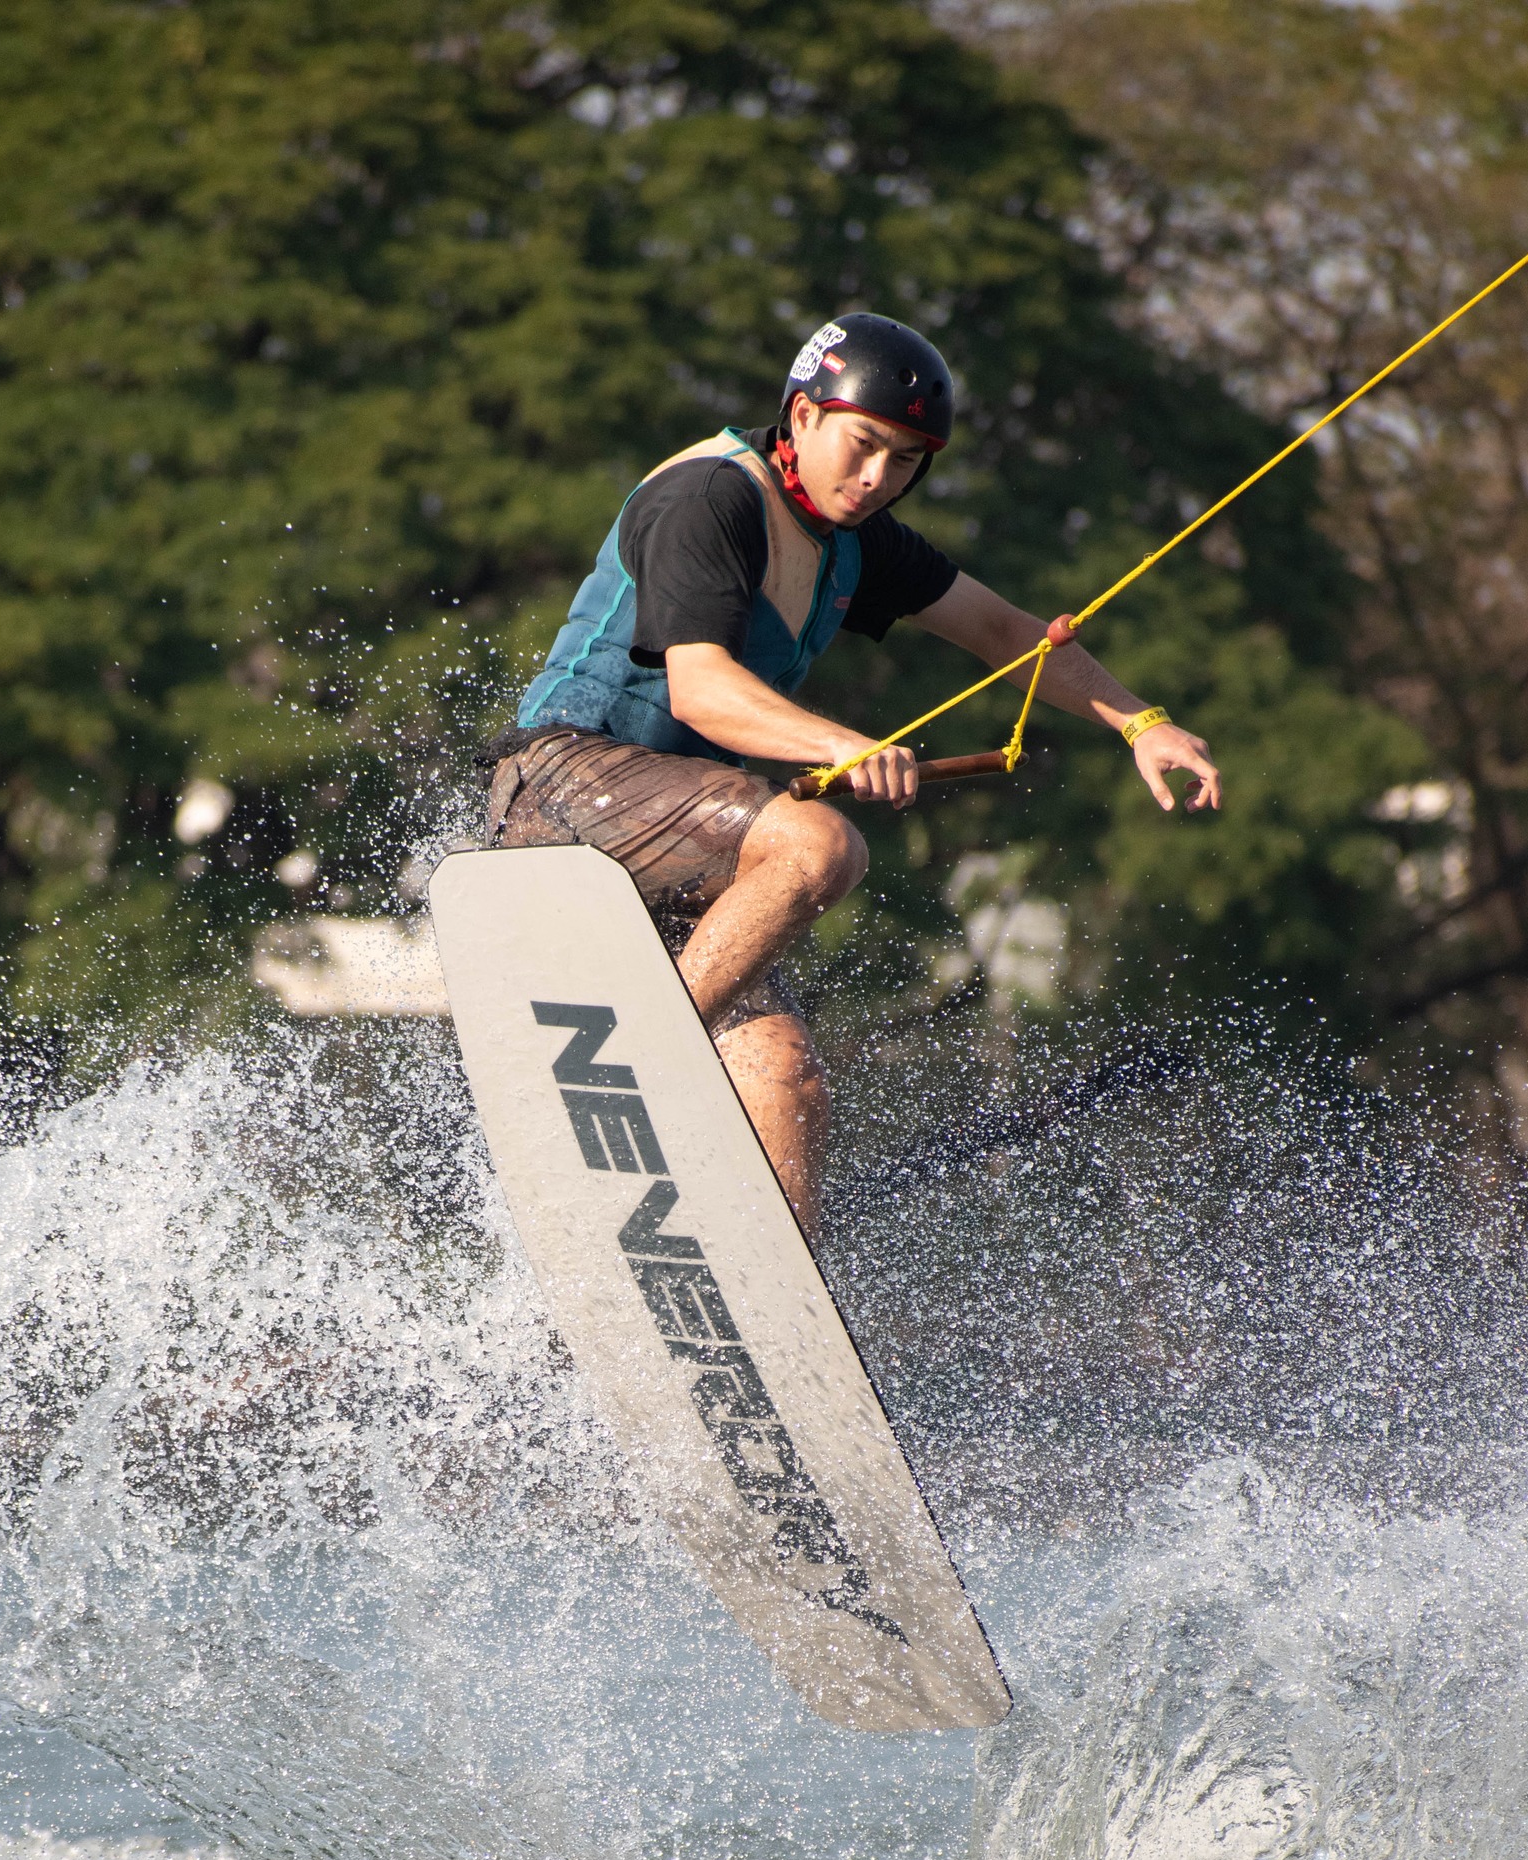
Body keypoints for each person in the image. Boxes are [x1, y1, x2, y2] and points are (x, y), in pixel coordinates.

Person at [486, 314, 1220, 1234]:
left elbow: (1007, 635)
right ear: (800, 417)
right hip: (561, 786)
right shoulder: (709, 498)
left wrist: (1140, 723)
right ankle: (633, 1065)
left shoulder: (861, 541)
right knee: (820, 844)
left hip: (682, 840)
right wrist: (844, 747)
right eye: (863, 443)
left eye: (906, 461)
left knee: (782, 1078)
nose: (877, 478)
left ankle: (776, 1324)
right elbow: (703, 689)